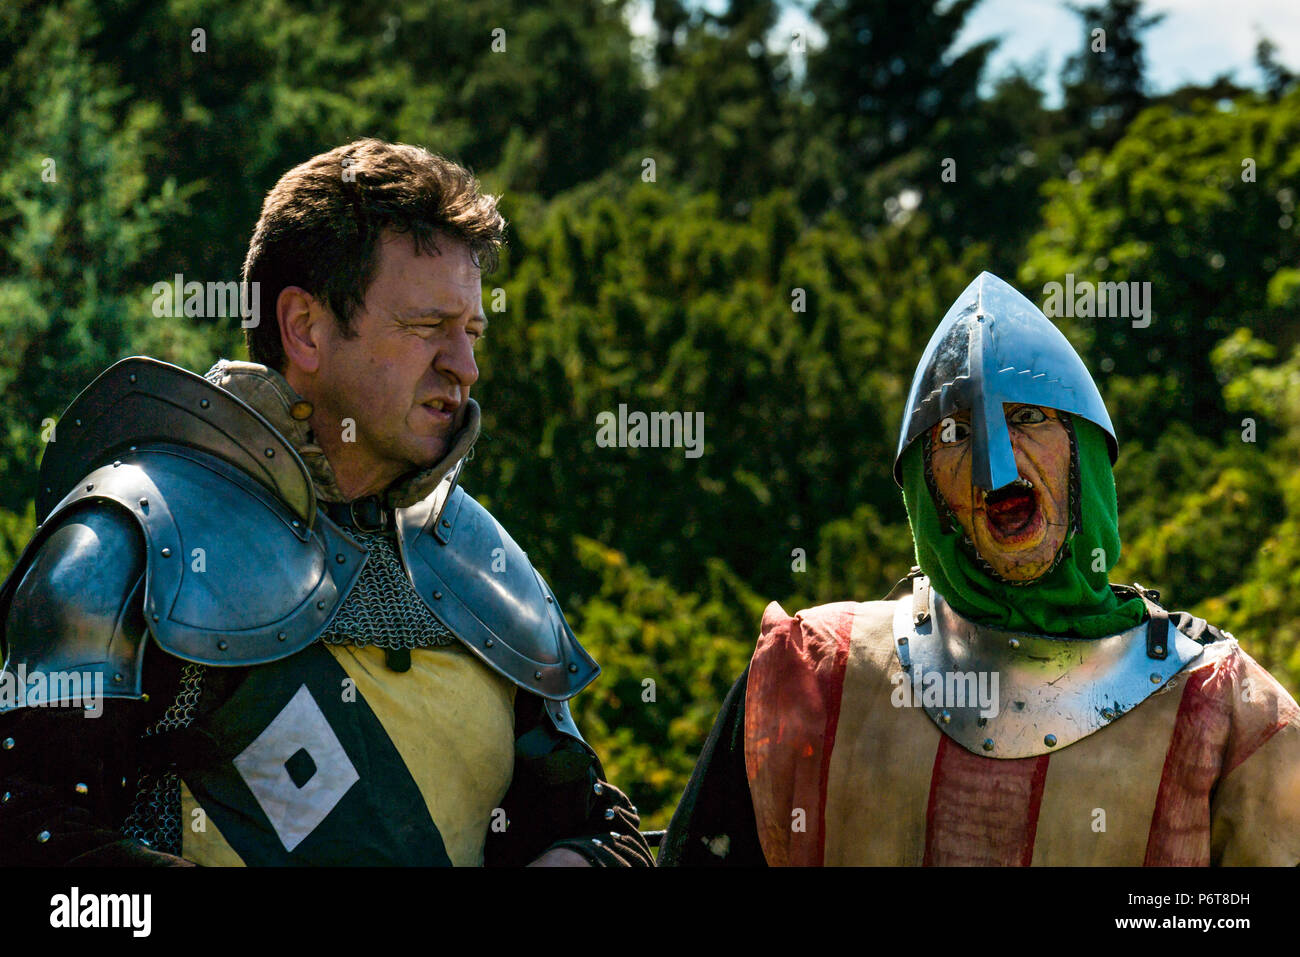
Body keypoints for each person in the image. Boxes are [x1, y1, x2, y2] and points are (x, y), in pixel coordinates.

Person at [0, 138, 652, 867]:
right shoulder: (136, 543)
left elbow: (602, 828)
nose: (464, 367)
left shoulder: (481, 560)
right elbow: (31, 841)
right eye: (426, 327)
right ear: (304, 328)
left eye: (471, 332)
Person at [660, 271, 1300, 866]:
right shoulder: (815, 673)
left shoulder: (1231, 715)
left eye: (1029, 418)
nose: (998, 462)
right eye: (953, 434)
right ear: (923, 486)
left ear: (1084, 456)